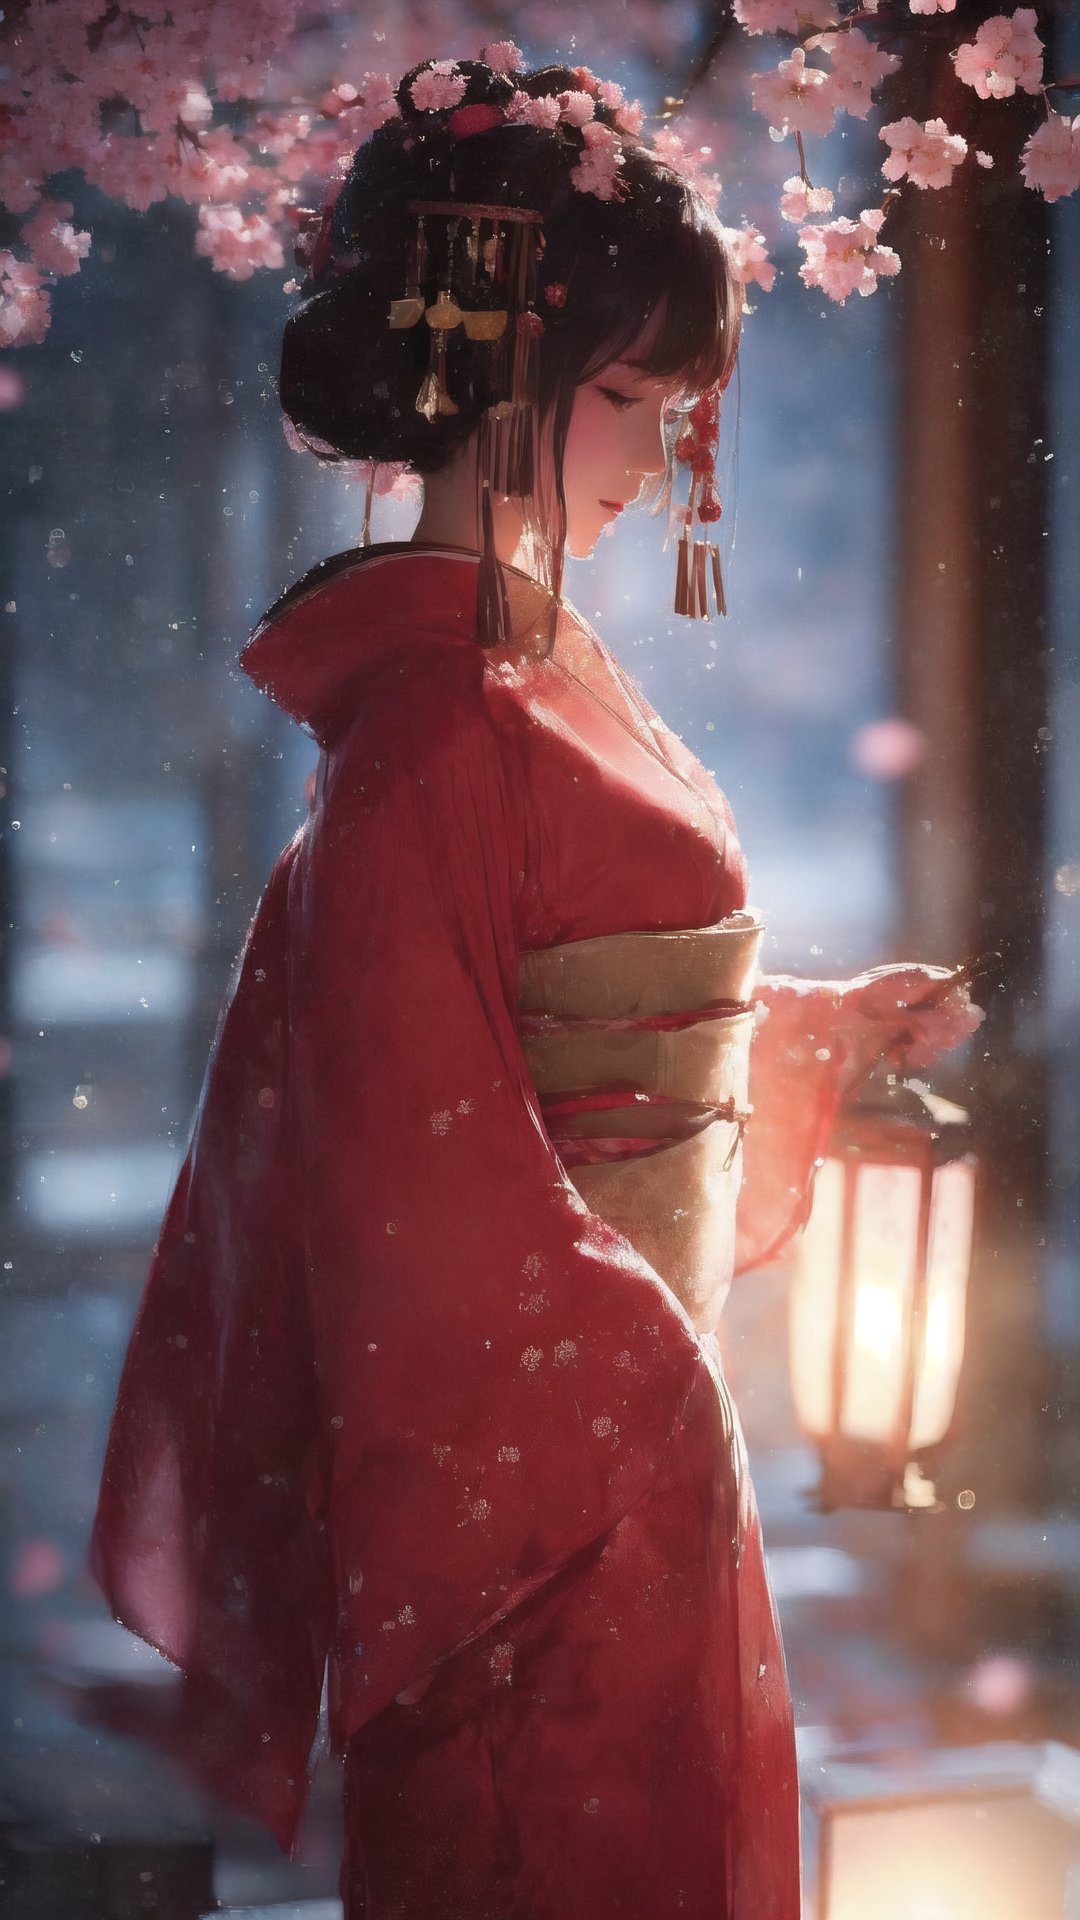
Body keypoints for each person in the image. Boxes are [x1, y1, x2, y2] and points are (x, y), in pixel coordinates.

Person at [89, 51, 982, 1920]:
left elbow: (589, 1031)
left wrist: (806, 1038)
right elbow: (417, 1187)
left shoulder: (520, 684)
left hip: (626, 1461)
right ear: (493, 374)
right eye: (635, 394)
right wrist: (636, 1371)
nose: (662, 449)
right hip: (541, 1520)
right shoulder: (425, 727)